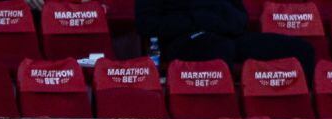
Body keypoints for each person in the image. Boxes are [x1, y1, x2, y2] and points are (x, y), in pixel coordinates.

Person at [135, 0, 316, 80]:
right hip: (182, 40)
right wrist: (196, 19)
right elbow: (146, 24)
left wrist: (223, 19)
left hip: (229, 35)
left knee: (302, 50)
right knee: (222, 48)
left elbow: (241, 18)